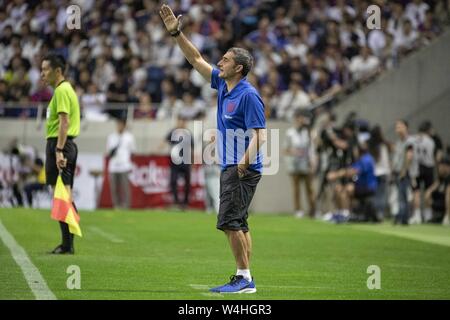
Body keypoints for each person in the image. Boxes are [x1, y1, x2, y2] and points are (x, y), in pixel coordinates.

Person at [160, 4, 267, 294]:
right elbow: (195, 59)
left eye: (226, 59)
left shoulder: (249, 95)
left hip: (241, 167)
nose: (220, 61)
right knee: (240, 223)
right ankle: (245, 275)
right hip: (233, 165)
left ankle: (244, 278)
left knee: (230, 223)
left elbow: (261, 135)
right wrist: (177, 34)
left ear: (239, 69)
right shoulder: (222, 84)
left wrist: (243, 163)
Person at [41, 53, 80, 254]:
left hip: (61, 145)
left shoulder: (62, 90)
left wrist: (58, 150)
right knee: (61, 194)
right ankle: (67, 243)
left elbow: (64, 122)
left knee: (64, 194)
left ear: (58, 71)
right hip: (59, 144)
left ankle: (68, 245)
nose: (42, 74)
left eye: (45, 69)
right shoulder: (62, 90)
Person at [284, 109, 317, 218]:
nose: (302, 120)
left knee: (310, 188)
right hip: (294, 164)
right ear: (296, 119)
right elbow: (285, 149)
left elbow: (312, 148)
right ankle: (298, 210)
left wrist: (313, 162)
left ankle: (313, 210)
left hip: (306, 163)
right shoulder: (290, 132)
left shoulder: (308, 132)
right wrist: (294, 152)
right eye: (300, 118)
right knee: (296, 189)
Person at [164, 116, 193, 210]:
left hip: (185, 161)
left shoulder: (188, 134)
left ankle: (185, 203)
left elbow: (191, 148)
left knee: (187, 182)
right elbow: (164, 141)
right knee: (173, 181)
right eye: (179, 121)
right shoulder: (173, 132)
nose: (181, 123)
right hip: (175, 161)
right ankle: (176, 202)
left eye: (182, 121)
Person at [106, 118, 135, 209]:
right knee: (114, 188)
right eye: (118, 124)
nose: (119, 126)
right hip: (113, 166)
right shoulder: (111, 137)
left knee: (125, 187)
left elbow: (133, 151)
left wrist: (128, 161)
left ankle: (126, 205)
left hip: (125, 165)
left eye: (121, 124)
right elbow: (108, 152)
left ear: (124, 125)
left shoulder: (129, 137)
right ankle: (116, 205)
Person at [391, 120, 415, 225]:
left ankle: (403, 218)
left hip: (404, 172)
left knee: (403, 195)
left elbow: (409, 157)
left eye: (401, 126)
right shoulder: (399, 141)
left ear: (406, 128)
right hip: (397, 171)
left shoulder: (409, 141)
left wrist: (404, 171)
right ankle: (401, 216)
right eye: (397, 127)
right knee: (400, 195)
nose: (398, 129)